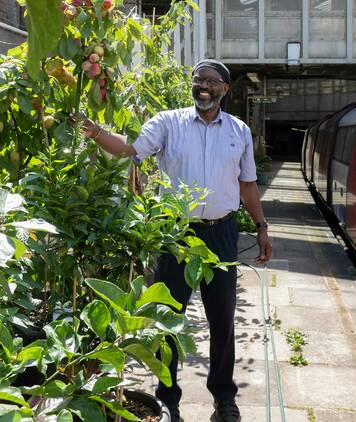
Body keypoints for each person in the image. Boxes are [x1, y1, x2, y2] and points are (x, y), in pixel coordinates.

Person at [77, 59, 272, 422]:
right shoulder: (168, 122)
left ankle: (224, 398)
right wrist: (96, 132)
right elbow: (130, 149)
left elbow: (247, 184)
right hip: (174, 233)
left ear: (224, 90)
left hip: (222, 233)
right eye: (198, 79)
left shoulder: (239, 130)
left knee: (223, 317)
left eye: (212, 81)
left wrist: (261, 226)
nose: (204, 86)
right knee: (167, 318)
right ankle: (168, 398)